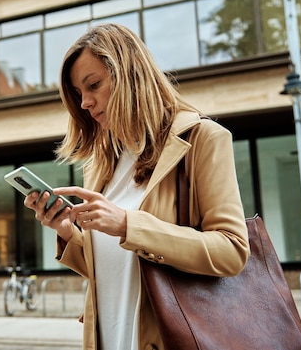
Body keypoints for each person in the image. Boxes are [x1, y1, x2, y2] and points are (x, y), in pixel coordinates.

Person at [24, 23, 250, 350]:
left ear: (131, 75)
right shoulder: (101, 163)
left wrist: (128, 224)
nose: (85, 102)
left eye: (94, 85)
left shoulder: (203, 139)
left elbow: (231, 251)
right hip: (109, 336)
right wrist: (69, 232)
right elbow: (118, 272)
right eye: (78, 93)